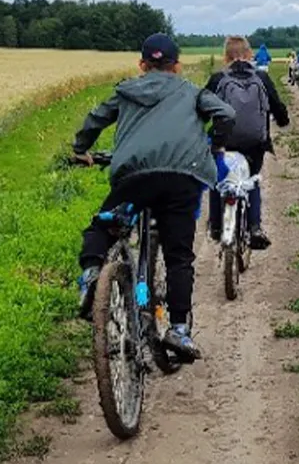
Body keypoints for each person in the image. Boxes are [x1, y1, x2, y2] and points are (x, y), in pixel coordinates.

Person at [73, 33, 235, 362]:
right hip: (182, 178)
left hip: (135, 176)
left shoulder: (125, 92)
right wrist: (213, 143)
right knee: (178, 256)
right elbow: (227, 115)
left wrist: (80, 150)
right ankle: (178, 329)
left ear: (142, 65)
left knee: (103, 225)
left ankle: (91, 277)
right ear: (177, 66)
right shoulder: (193, 92)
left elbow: (95, 120)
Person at [205, 35, 289, 249]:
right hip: (254, 144)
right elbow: (277, 106)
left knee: (217, 178)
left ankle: (216, 225)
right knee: (252, 178)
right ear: (250, 55)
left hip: (223, 143)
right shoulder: (261, 78)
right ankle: (255, 227)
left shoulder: (217, 79)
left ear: (226, 57)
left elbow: (201, 110)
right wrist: (283, 121)